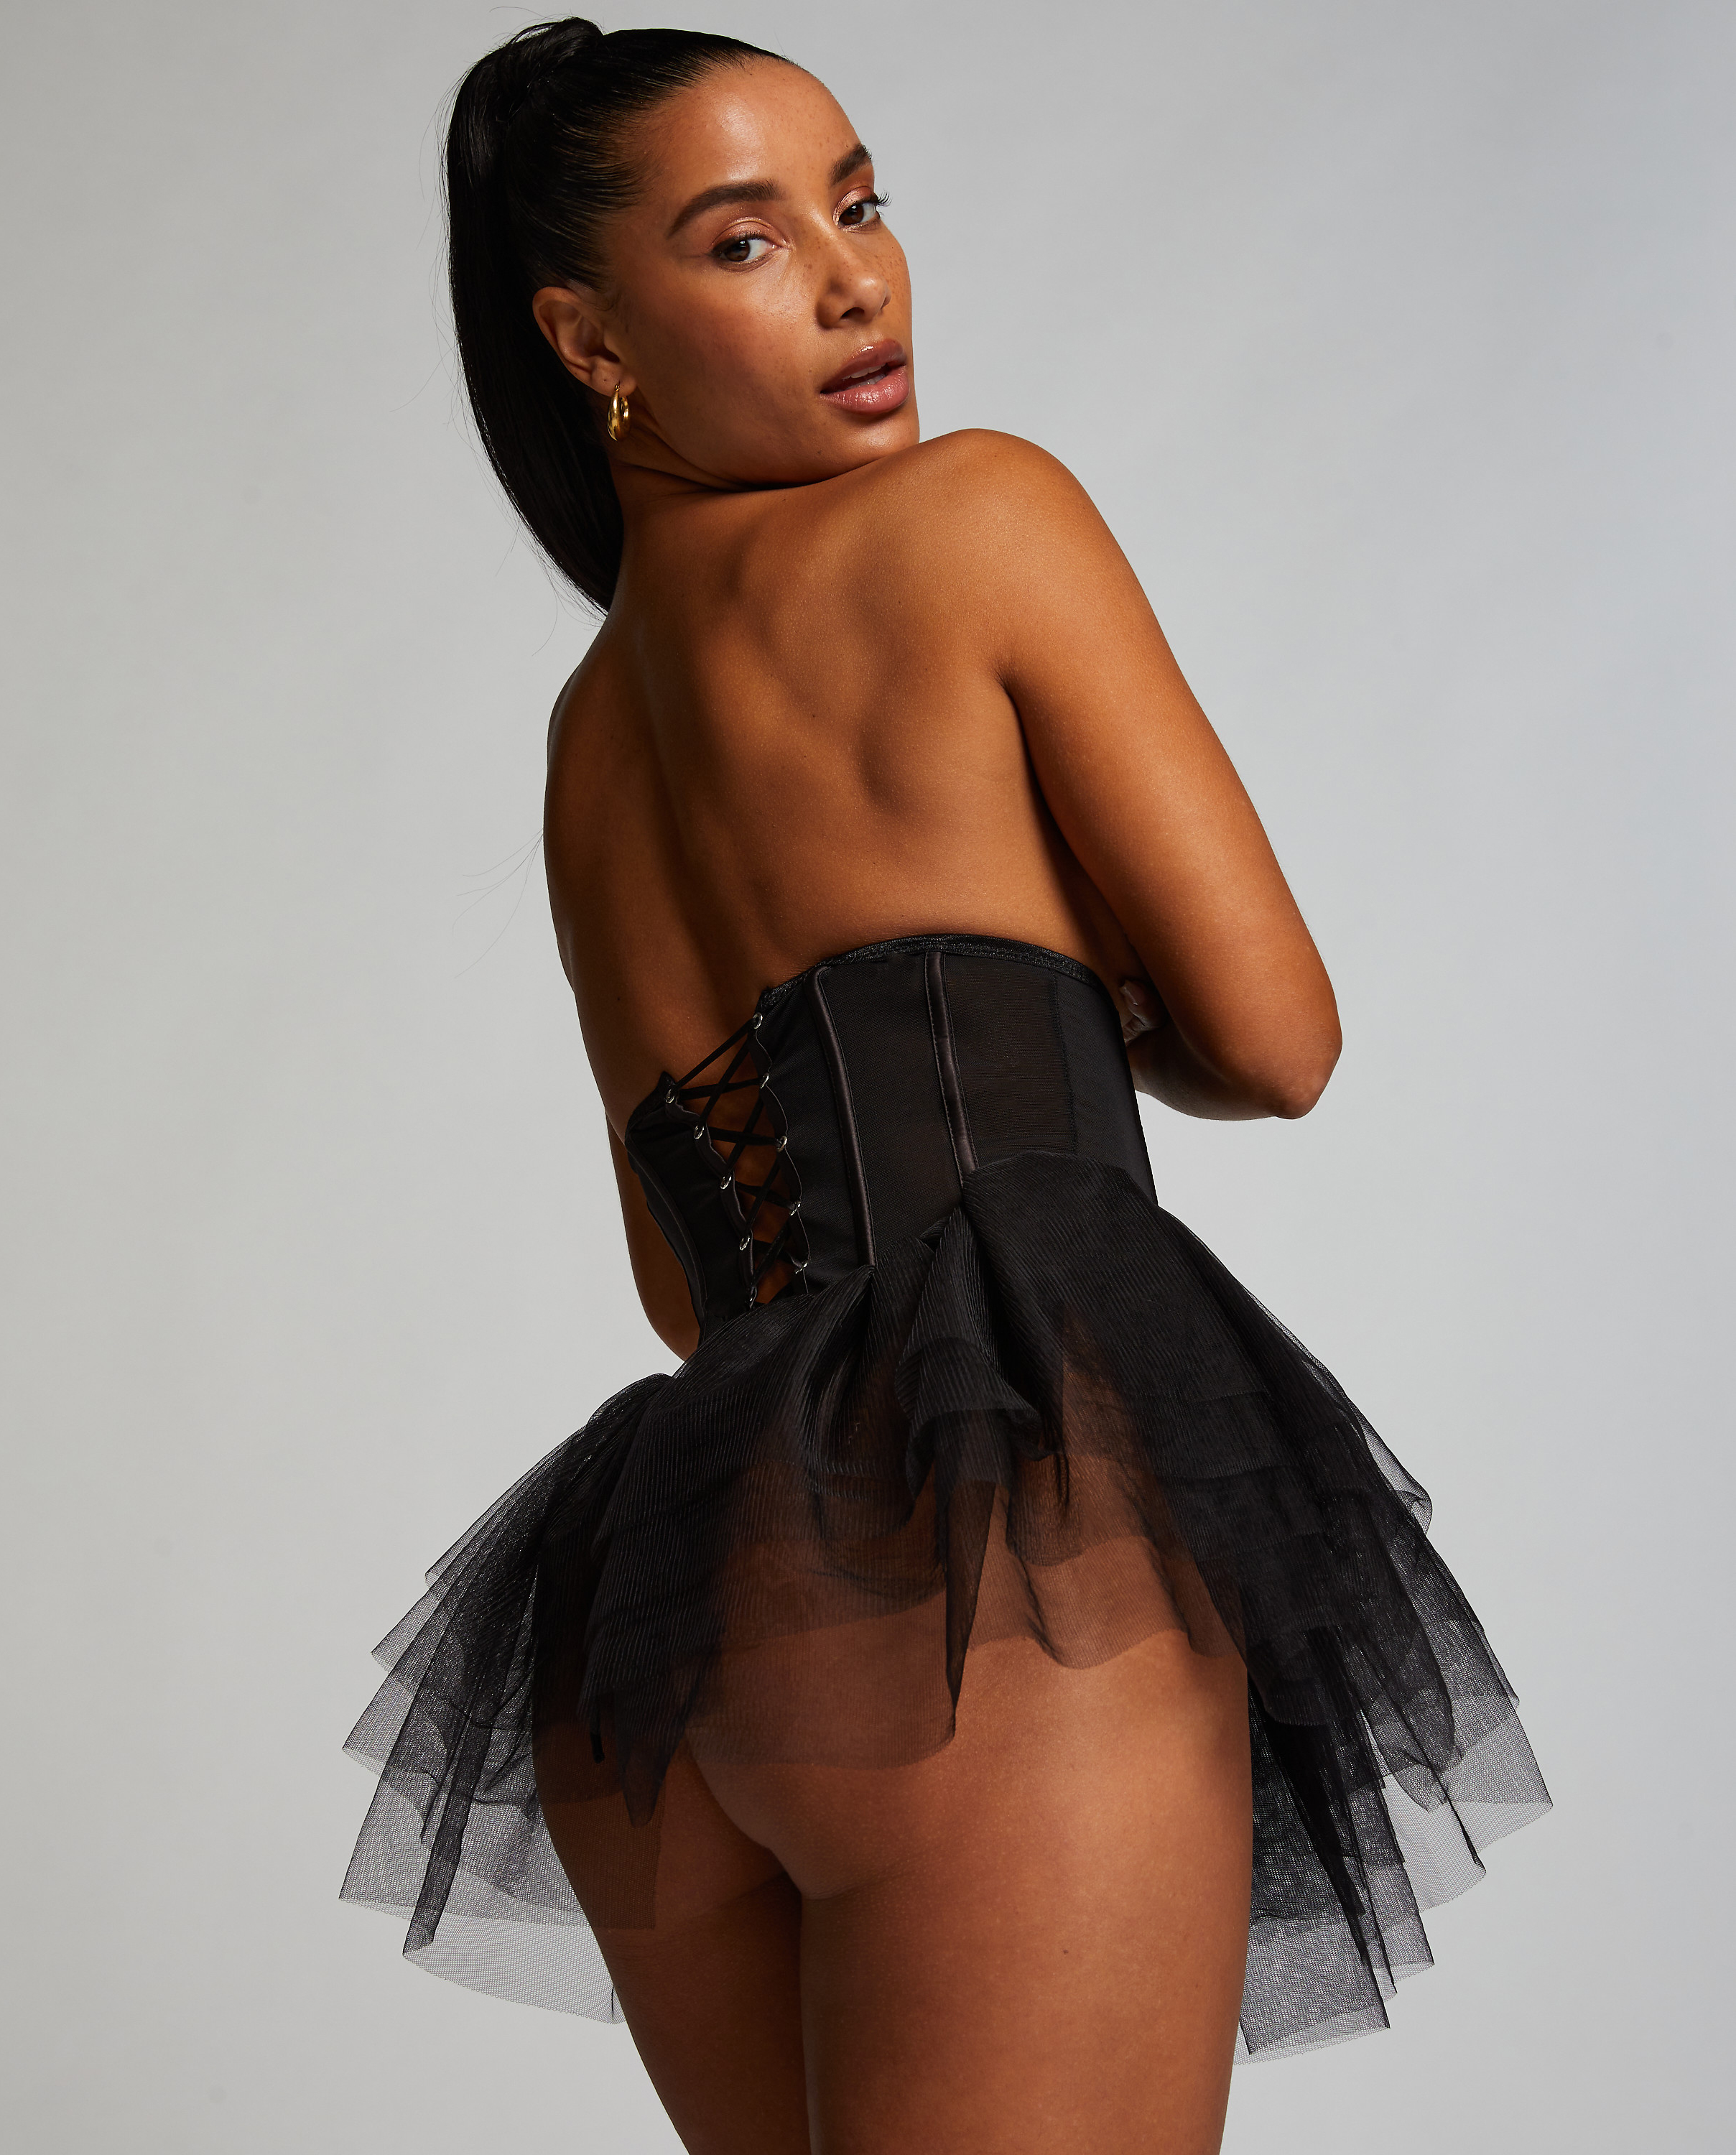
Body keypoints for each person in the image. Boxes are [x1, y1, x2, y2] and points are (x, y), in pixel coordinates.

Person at [341, 22, 1549, 2153]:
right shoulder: (978, 515)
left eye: (861, 203)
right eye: (746, 241)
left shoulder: (587, 742)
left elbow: (684, 1289)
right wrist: (1067, 999)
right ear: (587, 340)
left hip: (669, 1632)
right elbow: (1276, 1041)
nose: (853, 281)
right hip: (997, 1589)